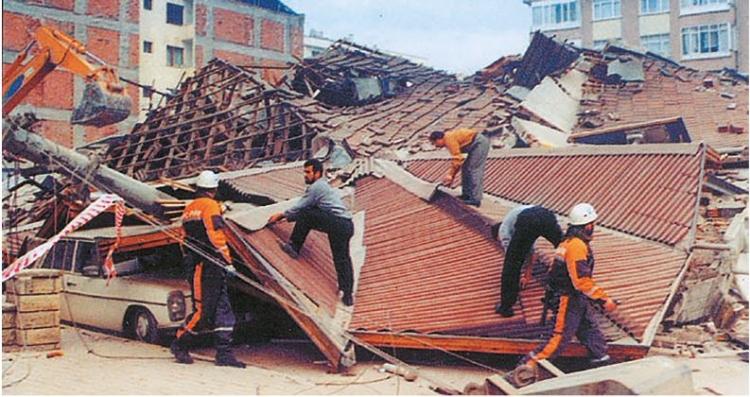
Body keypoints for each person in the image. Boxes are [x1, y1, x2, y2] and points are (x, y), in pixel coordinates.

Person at [504, 203, 617, 387]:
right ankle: (524, 370)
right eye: (593, 223)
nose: (593, 227)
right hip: (568, 298)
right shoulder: (577, 246)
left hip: (574, 297)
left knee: (590, 330)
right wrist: (604, 299)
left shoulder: (568, 243)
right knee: (557, 340)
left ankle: (602, 363)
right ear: (588, 225)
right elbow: (581, 280)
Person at [170, 170, 245, 368]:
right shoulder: (210, 206)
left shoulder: (189, 208)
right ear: (214, 189)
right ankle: (179, 343)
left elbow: (183, 238)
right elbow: (215, 235)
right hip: (207, 265)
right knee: (203, 310)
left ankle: (224, 354)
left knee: (223, 308)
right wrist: (227, 261)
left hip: (199, 263)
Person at [268, 159, 355, 306]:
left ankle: (294, 247)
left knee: (306, 213)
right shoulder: (322, 187)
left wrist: (281, 215)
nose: (305, 175)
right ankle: (347, 294)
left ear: (318, 173)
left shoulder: (317, 187)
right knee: (342, 259)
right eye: (305, 172)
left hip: (338, 224)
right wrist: (288, 217)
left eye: (308, 172)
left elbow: (301, 207)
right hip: (344, 225)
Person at [491, 205, 563, 317]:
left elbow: (514, 261)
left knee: (511, 265)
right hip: (546, 214)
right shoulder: (515, 218)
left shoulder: (503, 231)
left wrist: (522, 276)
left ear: (497, 236)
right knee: (565, 246)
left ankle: (506, 307)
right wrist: (527, 275)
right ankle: (564, 288)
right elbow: (531, 253)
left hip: (529, 220)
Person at [428, 128, 490, 207]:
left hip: (479, 144)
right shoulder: (448, 138)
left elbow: (457, 159)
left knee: (473, 170)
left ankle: (475, 199)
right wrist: (452, 176)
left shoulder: (449, 140)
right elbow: (458, 162)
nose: (436, 146)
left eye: (435, 143)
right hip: (475, 145)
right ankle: (466, 195)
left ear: (439, 139)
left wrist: (450, 175)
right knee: (465, 168)